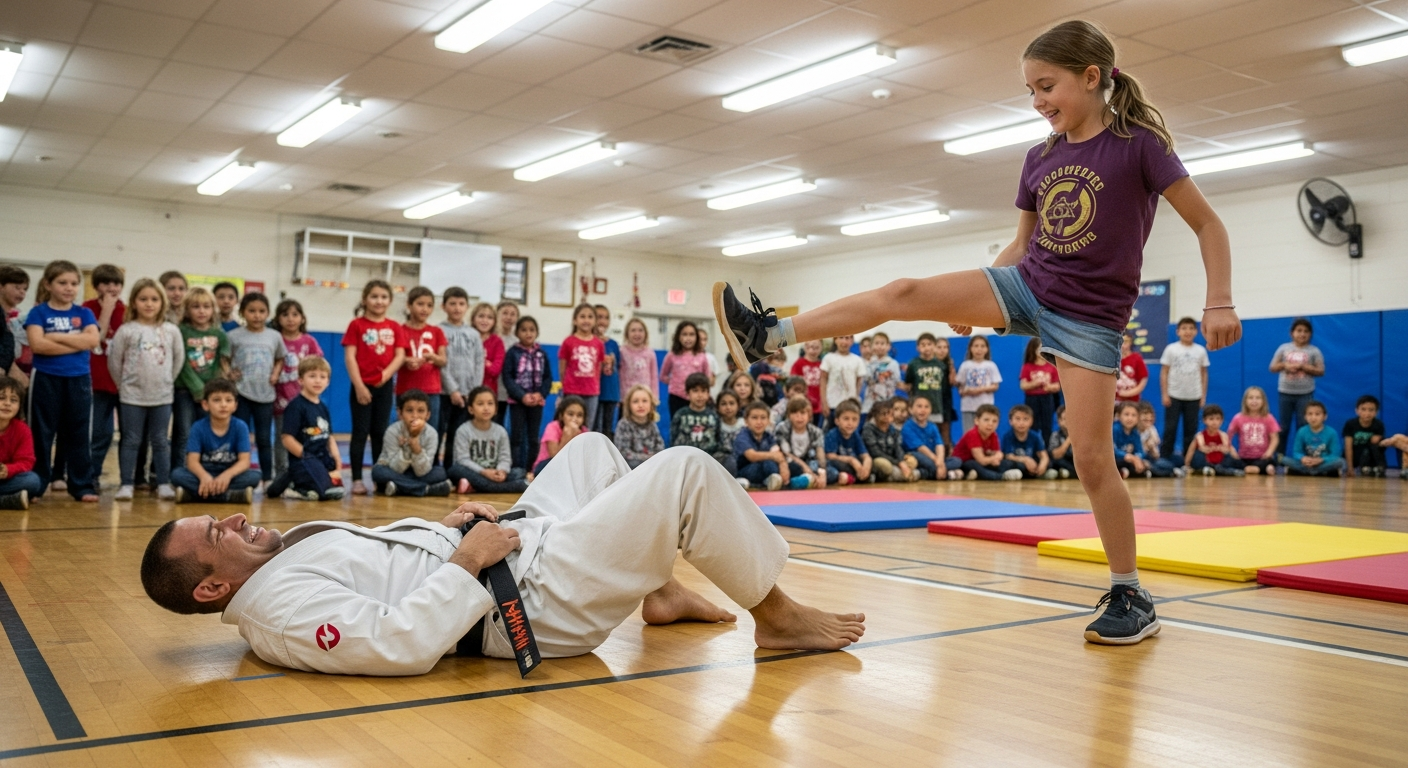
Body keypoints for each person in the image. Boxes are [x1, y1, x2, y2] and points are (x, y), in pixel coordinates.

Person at [713, 19, 1241, 644]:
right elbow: (1021, 244)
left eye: (1048, 87)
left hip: (1090, 316)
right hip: (1029, 284)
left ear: (1092, 77)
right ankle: (768, 335)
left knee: (1093, 459)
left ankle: (1130, 591)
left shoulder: (1139, 145)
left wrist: (1219, 302)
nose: (1039, 102)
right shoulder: (1040, 157)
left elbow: (1209, 225)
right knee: (902, 294)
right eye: (1031, 91)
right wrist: (986, 293)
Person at [139, 432, 867, 676]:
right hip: (526, 608)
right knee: (681, 471)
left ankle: (659, 592)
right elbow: (399, 645)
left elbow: (387, 567)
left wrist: (449, 526)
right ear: (210, 591)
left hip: (500, 556)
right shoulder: (282, 614)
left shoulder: (279, 562)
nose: (235, 519)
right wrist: (464, 561)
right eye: (217, 535)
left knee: (590, 449)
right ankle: (776, 615)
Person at [25, 260, 101, 502]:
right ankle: (36, 484)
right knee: (42, 432)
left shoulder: (84, 313)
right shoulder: (38, 313)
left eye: (74, 283)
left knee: (78, 433)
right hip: (46, 378)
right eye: (62, 282)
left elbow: (91, 341)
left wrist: (55, 336)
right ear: (48, 284)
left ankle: (81, 486)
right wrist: (75, 340)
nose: (69, 288)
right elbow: (38, 345)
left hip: (78, 379)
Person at [109, 278, 184, 501]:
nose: (149, 304)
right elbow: (115, 362)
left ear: (162, 302)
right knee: (131, 440)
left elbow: (178, 360)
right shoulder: (126, 330)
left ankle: (163, 483)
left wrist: (166, 382)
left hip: (162, 396)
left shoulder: (170, 331)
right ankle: (126, 484)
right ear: (134, 302)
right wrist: (124, 386)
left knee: (160, 440)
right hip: (132, 396)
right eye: (143, 299)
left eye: (154, 299)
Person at [343, 280, 406, 496]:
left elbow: (400, 355)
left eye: (383, 297)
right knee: (360, 433)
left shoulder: (394, 326)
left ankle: (379, 478)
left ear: (389, 300)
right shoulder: (357, 325)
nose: (379, 301)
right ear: (365, 299)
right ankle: (358, 479)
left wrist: (386, 375)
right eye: (374, 296)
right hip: (361, 385)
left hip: (384, 386)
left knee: (380, 433)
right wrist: (360, 386)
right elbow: (350, 357)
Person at [172, 378, 261, 504]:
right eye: (217, 400)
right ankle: (230, 496)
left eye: (228, 400)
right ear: (205, 405)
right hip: (204, 471)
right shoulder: (198, 427)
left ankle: (194, 495)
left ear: (235, 405)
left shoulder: (240, 426)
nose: (223, 404)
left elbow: (244, 461)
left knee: (254, 477)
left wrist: (227, 476)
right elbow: (192, 461)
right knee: (177, 475)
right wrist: (204, 477)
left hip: (230, 473)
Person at [228, 293, 285, 487]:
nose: (257, 315)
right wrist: (229, 372)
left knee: (263, 438)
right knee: (241, 438)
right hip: (241, 393)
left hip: (265, 394)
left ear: (268, 313)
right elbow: (224, 358)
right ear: (243, 312)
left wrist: (276, 373)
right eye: (251, 311)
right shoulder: (234, 335)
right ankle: (239, 476)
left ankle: (267, 478)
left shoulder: (274, 336)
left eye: (262, 311)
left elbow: (280, 358)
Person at [174, 288, 230, 479]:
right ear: (187, 309)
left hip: (209, 394)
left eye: (206, 306)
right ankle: (179, 473)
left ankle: (204, 472)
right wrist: (197, 387)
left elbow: (221, 365)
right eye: (195, 307)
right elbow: (181, 363)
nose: (201, 311)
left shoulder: (219, 334)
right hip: (184, 391)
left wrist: (209, 390)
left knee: (205, 432)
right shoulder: (181, 332)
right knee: (184, 433)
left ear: (213, 309)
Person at [275, 357, 346, 500]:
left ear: (328, 381)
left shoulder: (323, 407)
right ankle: (297, 487)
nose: (318, 381)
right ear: (301, 380)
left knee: (337, 487)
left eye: (322, 377)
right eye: (312, 376)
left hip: (321, 457)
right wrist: (306, 456)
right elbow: (287, 439)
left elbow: (329, 436)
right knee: (325, 492)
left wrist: (337, 458)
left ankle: (301, 485)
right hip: (303, 459)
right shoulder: (296, 406)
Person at [272, 299, 323, 480]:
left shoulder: (308, 341)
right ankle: (281, 475)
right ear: (278, 319)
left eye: (295, 314)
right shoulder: (275, 339)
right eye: (285, 315)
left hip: (304, 401)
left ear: (302, 318)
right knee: (282, 439)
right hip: (281, 400)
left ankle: (305, 473)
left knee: (306, 438)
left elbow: (319, 366)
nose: (290, 319)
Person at [84, 264, 125, 482]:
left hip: (123, 383)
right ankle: (92, 476)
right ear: (96, 286)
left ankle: (130, 479)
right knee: (100, 434)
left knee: (129, 435)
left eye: (116, 283)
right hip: (97, 382)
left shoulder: (127, 311)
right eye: (106, 283)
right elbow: (95, 339)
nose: (112, 287)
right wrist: (107, 310)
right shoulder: (87, 308)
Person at [373, 389, 451, 498]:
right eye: (409, 410)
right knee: (378, 472)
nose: (415, 415)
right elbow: (396, 468)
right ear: (400, 413)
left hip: (418, 474)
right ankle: (426, 489)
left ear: (428, 415)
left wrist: (416, 448)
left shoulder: (432, 434)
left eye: (420, 411)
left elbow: (422, 471)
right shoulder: (392, 431)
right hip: (395, 471)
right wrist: (405, 452)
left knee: (440, 472)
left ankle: (399, 487)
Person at [448, 386, 526, 495]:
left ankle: (476, 487)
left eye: (490, 403)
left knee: (518, 472)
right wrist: (484, 472)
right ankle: (503, 487)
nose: (486, 408)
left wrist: (501, 471)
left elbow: (505, 458)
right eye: (480, 404)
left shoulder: (500, 431)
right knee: (455, 470)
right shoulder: (463, 430)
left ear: (496, 409)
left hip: (494, 473)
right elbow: (462, 460)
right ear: (471, 409)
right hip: (475, 472)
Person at [438, 287, 484, 470]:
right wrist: (453, 390)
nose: (457, 308)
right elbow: (441, 364)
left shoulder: (473, 334)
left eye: (461, 304)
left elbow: (479, 361)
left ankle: (453, 471)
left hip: (467, 395)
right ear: (443, 306)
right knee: (439, 431)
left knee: (458, 435)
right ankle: (436, 469)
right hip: (445, 393)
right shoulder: (439, 330)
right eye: (452, 304)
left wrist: (473, 392)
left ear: (467, 306)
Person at [502, 316, 552, 471]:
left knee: (532, 438)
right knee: (516, 437)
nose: (528, 333)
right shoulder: (512, 352)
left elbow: (548, 378)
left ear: (536, 332)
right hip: (518, 402)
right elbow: (507, 376)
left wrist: (540, 394)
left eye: (532, 330)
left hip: (537, 402)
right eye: (524, 330)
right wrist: (521, 395)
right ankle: (517, 468)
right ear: (517, 333)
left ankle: (531, 469)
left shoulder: (541, 353)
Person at [398, 287, 448, 436]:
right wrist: (406, 360)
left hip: (431, 390)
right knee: (404, 431)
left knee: (430, 432)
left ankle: (429, 460)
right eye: (420, 304)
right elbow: (394, 359)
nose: (425, 309)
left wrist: (432, 357)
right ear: (409, 305)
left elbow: (443, 360)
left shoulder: (437, 332)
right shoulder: (400, 330)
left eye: (429, 305)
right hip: (405, 389)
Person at [1159, 317, 1209, 460]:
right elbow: (1164, 372)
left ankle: (1188, 461)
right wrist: (1165, 394)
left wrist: (1203, 395)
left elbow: (1204, 374)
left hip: (1194, 396)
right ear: (1178, 331)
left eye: (1191, 328)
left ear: (1196, 331)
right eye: (1184, 328)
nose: (1188, 331)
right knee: (1170, 429)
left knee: (1191, 430)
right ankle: (1165, 459)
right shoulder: (1171, 349)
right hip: (1174, 395)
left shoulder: (1200, 351)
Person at [1270, 318, 1324, 447]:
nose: (1302, 334)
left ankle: (1304, 457)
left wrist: (1304, 367)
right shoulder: (1284, 348)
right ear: (1292, 333)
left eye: (1306, 331)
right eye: (1299, 330)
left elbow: (1321, 370)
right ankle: (1280, 458)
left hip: (1305, 394)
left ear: (1310, 334)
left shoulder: (1314, 351)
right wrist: (1285, 366)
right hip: (1285, 393)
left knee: (1303, 426)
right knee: (1283, 427)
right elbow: (1272, 367)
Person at [669, 373, 731, 473]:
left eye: (703, 391)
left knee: (729, 461)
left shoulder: (714, 415)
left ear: (708, 394)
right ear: (687, 393)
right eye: (695, 391)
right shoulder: (680, 415)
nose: (700, 395)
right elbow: (673, 440)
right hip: (686, 460)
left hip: (710, 459)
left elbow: (720, 440)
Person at [735, 400, 800, 490]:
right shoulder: (743, 435)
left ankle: (785, 481)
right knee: (768, 463)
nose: (759, 422)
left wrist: (783, 464)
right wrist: (773, 456)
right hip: (748, 469)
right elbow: (752, 456)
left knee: (794, 467)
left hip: (768, 466)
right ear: (746, 421)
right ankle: (771, 481)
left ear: (768, 420)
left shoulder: (768, 436)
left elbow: (777, 453)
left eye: (763, 418)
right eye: (754, 418)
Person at [559, 304, 604, 430]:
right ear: (575, 320)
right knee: (570, 425)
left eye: (590, 317)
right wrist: (565, 386)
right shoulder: (568, 341)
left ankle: (584, 450)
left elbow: (598, 368)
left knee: (587, 427)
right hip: (572, 390)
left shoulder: (598, 343)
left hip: (591, 392)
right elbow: (563, 368)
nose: (586, 320)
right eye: (582, 316)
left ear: (595, 321)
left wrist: (595, 385)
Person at [0, 375, 41, 510]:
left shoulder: (22, 430)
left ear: (19, 406)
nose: (7, 403)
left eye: (13, 400)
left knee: (32, 481)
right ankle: (6, 501)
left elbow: (26, 462)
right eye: (2, 398)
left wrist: (7, 470)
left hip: (5, 479)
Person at [902, 333, 950, 444]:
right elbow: (909, 383)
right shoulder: (914, 364)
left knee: (934, 435)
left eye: (929, 344)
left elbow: (943, 387)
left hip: (936, 405)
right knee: (919, 433)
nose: (926, 347)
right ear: (918, 348)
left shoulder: (941, 365)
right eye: (923, 345)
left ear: (934, 346)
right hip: (919, 406)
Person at [954, 404, 1020, 481]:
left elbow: (997, 454)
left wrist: (996, 458)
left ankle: (978, 474)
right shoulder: (973, 434)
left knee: (1007, 463)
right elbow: (981, 460)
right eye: (986, 420)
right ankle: (1000, 476)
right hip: (966, 463)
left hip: (985, 461)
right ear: (977, 421)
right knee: (973, 464)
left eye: (994, 421)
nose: (990, 424)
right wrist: (995, 458)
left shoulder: (993, 435)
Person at [775, 396, 830, 487]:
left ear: (809, 415)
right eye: (795, 413)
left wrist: (822, 472)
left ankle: (807, 480)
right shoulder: (782, 429)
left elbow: (820, 454)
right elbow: (786, 453)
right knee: (793, 468)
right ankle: (798, 481)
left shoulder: (816, 432)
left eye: (802, 413)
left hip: (810, 462)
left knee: (831, 472)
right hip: (791, 463)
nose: (799, 417)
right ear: (789, 415)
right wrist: (805, 467)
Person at [1279, 401, 1343, 477]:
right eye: (1310, 414)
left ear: (1325, 416)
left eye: (1317, 414)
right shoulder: (1301, 431)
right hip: (1306, 463)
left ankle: (1309, 472)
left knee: (1340, 462)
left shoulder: (1331, 432)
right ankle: (1316, 472)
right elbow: (1296, 452)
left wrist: (1321, 460)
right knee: (1283, 459)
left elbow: (1335, 454)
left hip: (1322, 463)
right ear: (1305, 417)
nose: (1313, 417)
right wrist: (1303, 458)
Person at [659, 321, 711, 416]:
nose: (688, 338)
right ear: (678, 336)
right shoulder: (672, 355)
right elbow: (663, 376)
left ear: (696, 337)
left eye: (691, 334)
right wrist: (675, 382)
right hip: (676, 397)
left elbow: (707, 378)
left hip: (696, 398)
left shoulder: (701, 356)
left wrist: (701, 393)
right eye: (684, 334)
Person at [1019, 337, 1061, 449]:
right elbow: (1023, 385)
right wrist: (1035, 383)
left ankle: (1047, 451)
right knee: (1033, 425)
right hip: (1032, 399)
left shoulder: (1051, 367)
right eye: (1039, 348)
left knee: (1047, 426)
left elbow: (1057, 386)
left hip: (1047, 399)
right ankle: (1034, 451)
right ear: (1032, 349)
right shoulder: (1027, 367)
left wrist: (1049, 387)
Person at [1227, 386, 1279, 475]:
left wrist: (1269, 452)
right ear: (1245, 401)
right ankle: (1258, 469)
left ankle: (1259, 468)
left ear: (1263, 401)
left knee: (1269, 461)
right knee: (1229, 461)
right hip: (1243, 457)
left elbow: (1274, 438)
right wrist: (1231, 450)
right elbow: (1228, 436)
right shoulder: (1238, 418)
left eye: (1258, 398)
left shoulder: (1268, 418)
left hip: (1262, 457)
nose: (1254, 401)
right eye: (1251, 398)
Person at [864, 398, 918, 482]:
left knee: (912, 461)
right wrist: (898, 463)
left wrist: (901, 461)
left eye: (890, 413)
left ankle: (903, 474)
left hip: (893, 459)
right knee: (886, 466)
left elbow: (897, 447)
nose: (888, 416)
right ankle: (895, 476)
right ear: (875, 415)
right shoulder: (868, 428)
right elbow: (875, 452)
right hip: (877, 459)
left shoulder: (891, 428)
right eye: (884, 414)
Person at [533, 395, 587, 478]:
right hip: (548, 465)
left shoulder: (584, 431)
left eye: (579, 415)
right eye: (570, 414)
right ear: (561, 415)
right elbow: (554, 457)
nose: (574, 419)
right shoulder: (552, 427)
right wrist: (566, 437)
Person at [613, 384, 665, 469]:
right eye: (635, 401)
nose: (640, 405)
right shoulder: (623, 425)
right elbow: (623, 453)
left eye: (644, 401)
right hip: (631, 471)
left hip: (652, 469)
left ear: (651, 404)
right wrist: (648, 459)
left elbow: (660, 448)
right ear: (629, 405)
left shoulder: (652, 425)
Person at [957, 335, 1001, 432]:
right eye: (976, 346)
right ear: (970, 348)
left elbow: (995, 385)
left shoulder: (991, 365)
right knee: (969, 433)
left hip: (985, 406)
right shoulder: (965, 365)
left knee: (985, 432)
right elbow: (960, 384)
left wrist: (978, 390)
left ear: (987, 349)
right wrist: (964, 391)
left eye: (982, 346)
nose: (979, 349)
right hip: (968, 406)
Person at [1185, 404, 1244, 476]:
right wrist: (1187, 465)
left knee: (1229, 458)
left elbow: (1232, 451)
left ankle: (1215, 470)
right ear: (1204, 420)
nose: (1214, 422)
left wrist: (1238, 462)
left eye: (1217, 419)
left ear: (1221, 420)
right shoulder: (1199, 436)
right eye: (1211, 419)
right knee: (1198, 455)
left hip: (1220, 463)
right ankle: (1222, 471)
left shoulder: (1223, 436)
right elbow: (1191, 451)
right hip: (1206, 462)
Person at [819, 335, 864, 427]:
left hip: (849, 405)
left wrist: (855, 399)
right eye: (841, 338)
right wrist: (824, 403)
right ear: (835, 340)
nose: (844, 341)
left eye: (847, 338)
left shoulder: (857, 360)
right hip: (832, 404)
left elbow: (859, 383)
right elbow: (823, 381)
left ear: (852, 341)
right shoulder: (828, 358)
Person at [825, 399, 872, 484]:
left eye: (854, 419)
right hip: (840, 464)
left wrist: (866, 466)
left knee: (873, 464)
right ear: (837, 421)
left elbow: (865, 455)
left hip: (853, 466)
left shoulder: (855, 435)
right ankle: (853, 477)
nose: (850, 423)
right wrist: (851, 460)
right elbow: (830, 456)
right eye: (846, 419)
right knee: (833, 466)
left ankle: (857, 476)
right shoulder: (833, 434)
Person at [0, 265, 32, 389]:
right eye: (17, 287)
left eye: (24, 289)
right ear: (1, 286)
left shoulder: (22, 317)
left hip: (24, 370)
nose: (22, 292)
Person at [901, 396, 947, 480]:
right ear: (911, 410)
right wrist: (937, 461)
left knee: (956, 461)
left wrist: (940, 462)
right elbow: (920, 448)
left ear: (930, 410)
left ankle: (927, 472)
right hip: (917, 456)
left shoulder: (933, 426)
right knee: (925, 460)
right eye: (919, 406)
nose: (923, 410)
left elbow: (939, 444)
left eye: (926, 407)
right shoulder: (907, 427)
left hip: (933, 458)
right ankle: (946, 473)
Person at [1002, 404, 1052, 479]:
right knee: (1008, 464)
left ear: (1031, 421)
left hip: (1033, 463)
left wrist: (1043, 465)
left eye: (1025, 419)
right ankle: (1018, 474)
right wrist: (1025, 459)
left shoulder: (1035, 436)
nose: (1021, 423)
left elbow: (1043, 455)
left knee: (1050, 462)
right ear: (1011, 421)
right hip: (1019, 462)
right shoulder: (1008, 436)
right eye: (1018, 419)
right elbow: (1008, 456)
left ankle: (1040, 472)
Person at [593, 305, 620, 441]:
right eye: (599, 317)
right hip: (595, 391)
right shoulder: (590, 342)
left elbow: (618, 368)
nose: (602, 321)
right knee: (594, 426)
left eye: (606, 318)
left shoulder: (613, 344)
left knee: (607, 427)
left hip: (610, 392)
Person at [1343, 395, 1387, 477]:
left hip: (1369, 455)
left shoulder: (1378, 425)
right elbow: (1348, 446)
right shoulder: (1350, 424)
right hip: (1355, 454)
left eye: (1371, 410)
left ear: (1376, 412)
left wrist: (1379, 439)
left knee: (1380, 442)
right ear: (1357, 411)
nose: (1367, 413)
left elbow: (1379, 448)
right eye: (1363, 409)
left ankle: (1379, 467)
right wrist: (1350, 468)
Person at [1136, 401, 1183, 478]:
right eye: (1145, 415)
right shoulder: (1135, 431)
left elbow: (1156, 455)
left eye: (1150, 416)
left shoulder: (1151, 430)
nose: (1148, 418)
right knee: (1160, 466)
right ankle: (1154, 471)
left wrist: (1152, 448)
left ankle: (1151, 471)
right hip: (1139, 458)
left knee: (1175, 461)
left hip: (1150, 458)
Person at [618, 318, 658, 403]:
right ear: (627, 334)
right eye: (633, 330)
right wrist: (619, 397)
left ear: (645, 334)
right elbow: (618, 375)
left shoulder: (650, 353)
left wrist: (654, 397)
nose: (637, 334)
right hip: (626, 398)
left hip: (644, 398)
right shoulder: (622, 351)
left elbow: (654, 377)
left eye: (640, 330)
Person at [861, 332, 902, 415]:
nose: (879, 346)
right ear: (871, 346)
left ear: (888, 346)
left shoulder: (893, 363)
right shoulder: (867, 364)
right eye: (876, 343)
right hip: (869, 404)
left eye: (882, 343)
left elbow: (897, 382)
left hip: (887, 402)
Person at [494, 301, 519, 425]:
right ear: (497, 315)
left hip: (509, 390)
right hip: (493, 388)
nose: (508, 317)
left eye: (512, 314)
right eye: (505, 313)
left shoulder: (518, 342)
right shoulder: (492, 337)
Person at [790, 339, 825, 426]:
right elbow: (793, 383)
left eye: (816, 348)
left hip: (819, 405)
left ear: (821, 348)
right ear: (805, 347)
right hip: (803, 404)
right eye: (810, 347)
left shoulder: (823, 365)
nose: (812, 350)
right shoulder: (798, 364)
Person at [1112, 402, 1150, 479]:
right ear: (1119, 416)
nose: (1130, 418)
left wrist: (1137, 458)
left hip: (1129, 461)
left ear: (1138, 418)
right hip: (1116, 460)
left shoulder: (1135, 432)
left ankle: (1125, 472)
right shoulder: (1115, 429)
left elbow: (1140, 451)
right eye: (1126, 414)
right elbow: (1112, 450)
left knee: (1147, 463)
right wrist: (1130, 457)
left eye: (1133, 415)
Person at [1115, 332, 1148, 403]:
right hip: (1114, 400)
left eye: (1126, 342)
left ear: (1131, 342)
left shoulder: (1136, 358)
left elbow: (1143, 380)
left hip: (1132, 400)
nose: (1123, 345)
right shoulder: (1113, 358)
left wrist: (1129, 393)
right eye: (1121, 341)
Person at [1049, 406, 1076, 479]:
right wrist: (1068, 440)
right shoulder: (1055, 435)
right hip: (1063, 461)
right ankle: (1067, 473)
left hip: (1076, 462)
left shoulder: (1082, 435)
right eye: (1065, 419)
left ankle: (1069, 473)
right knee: (1055, 462)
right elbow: (1056, 455)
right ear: (1059, 421)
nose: (1069, 422)